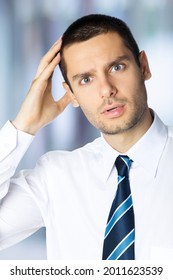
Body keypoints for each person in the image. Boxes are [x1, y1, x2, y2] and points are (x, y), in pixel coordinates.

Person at [0, 14, 173, 260]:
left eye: (116, 67)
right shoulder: (55, 177)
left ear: (143, 66)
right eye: (86, 79)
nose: (106, 90)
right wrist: (23, 125)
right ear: (71, 94)